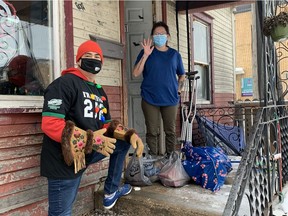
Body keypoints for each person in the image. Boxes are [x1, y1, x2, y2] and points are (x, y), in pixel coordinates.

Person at [40, 40, 144, 215]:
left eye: (97, 57)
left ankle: (110, 192)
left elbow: (105, 124)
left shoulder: (99, 91)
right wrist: (91, 139)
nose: (93, 59)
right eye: (88, 56)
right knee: (62, 212)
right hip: (64, 158)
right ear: (79, 60)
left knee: (123, 144)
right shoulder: (64, 83)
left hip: (87, 151)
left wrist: (129, 134)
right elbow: (51, 124)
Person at [133, 21, 185, 157]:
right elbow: (136, 73)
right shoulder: (146, 53)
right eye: (156, 34)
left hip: (170, 98)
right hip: (150, 98)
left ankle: (171, 160)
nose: (159, 36)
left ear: (168, 36)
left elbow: (182, 75)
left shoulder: (175, 55)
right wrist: (145, 55)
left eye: (162, 34)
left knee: (171, 131)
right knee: (152, 131)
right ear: (152, 36)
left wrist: (178, 90)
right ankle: (154, 161)